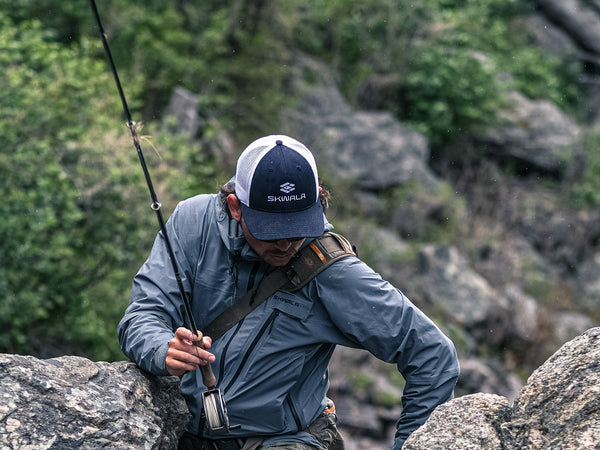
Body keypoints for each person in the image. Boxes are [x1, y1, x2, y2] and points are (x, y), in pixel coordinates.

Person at [118, 134, 460, 450]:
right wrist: (163, 349)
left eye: (296, 228)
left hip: (286, 439)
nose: (285, 243)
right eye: (272, 230)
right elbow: (142, 316)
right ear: (236, 207)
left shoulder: (333, 271)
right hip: (183, 430)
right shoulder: (192, 223)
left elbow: (432, 355)